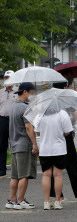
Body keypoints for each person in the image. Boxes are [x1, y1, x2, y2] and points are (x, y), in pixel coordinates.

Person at [35, 105, 75, 210]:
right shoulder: (62, 114)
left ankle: (47, 201)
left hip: (45, 149)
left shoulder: (40, 115)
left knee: (46, 175)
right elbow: (67, 132)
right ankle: (57, 201)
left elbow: (38, 132)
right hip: (59, 148)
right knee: (58, 175)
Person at [5, 82, 37, 210]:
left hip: (14, 144)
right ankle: (20, 200)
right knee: (24, 175)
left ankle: (12, 200)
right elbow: (28, 126)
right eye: (31, 93)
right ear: (25, 92)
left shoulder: (13, 107)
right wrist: (34, 143)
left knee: (15, 176)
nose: (31, 96)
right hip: (24, 144)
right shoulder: (25, 108)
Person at [0, 70, 17, 177]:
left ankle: (16, 170)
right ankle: (2, 170)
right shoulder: (0, 92)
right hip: (2, 120)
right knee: (1, 145)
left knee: (15, 144)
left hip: (15, 120)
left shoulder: (18, 91)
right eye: (6, 78)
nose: (7, 79)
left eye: (9, 78)